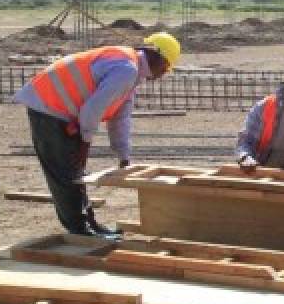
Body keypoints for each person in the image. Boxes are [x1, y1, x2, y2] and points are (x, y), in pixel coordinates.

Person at [14, 32, 181, 237]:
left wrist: (124, 156)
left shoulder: (131, 72)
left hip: (60, 108)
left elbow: (120, 118)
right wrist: (85, 142)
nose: (164, 73)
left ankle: (89, 224)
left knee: (75, 172)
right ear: (159, 59)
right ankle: (80, 230)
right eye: (166, 68)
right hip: (49, 107)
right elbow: (92, 110)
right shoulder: (126, 70)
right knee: (65, 174)